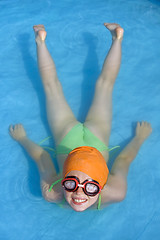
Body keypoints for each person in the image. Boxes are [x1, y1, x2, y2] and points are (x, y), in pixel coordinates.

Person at [9, 23, 152, 212]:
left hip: (78, 135)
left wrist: (23, 139)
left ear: (101, 186)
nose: (79, 194)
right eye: (71, 184)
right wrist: (139, 138)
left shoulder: (53, 193)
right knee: (96, 86)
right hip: (92, 137)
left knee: (75, 87)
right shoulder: (115, 193)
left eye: (91, 187)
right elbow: (123, 160)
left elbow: (42, 157)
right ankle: (114, 39)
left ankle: (43, 41)